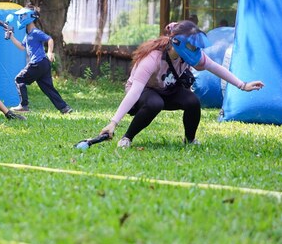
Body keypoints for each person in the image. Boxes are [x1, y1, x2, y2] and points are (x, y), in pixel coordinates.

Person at [98, 20, 264, 148]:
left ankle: (190, 140)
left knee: (192, 101)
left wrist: (243, 85)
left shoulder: (192, 55)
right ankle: (127, 137)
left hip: (168, 89)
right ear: (177, 42)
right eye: (192, 46)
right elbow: (134, 92)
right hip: (146, 91)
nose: (195, 50)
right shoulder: (153, 58)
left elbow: (216, 68)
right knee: (155, 103)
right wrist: (113, 123)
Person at [6, 5, 73, 114]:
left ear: (29, 17)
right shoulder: (28, 35)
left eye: (23, 15)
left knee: (19, 79)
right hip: (43, 64)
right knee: (48, 88)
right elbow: (22, 47)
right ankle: (64, 108)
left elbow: (50, 39)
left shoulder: (35, 32)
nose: (20, 18)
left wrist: (50, 52)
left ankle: (24, 105)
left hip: (37, 62)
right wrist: (12, 37)